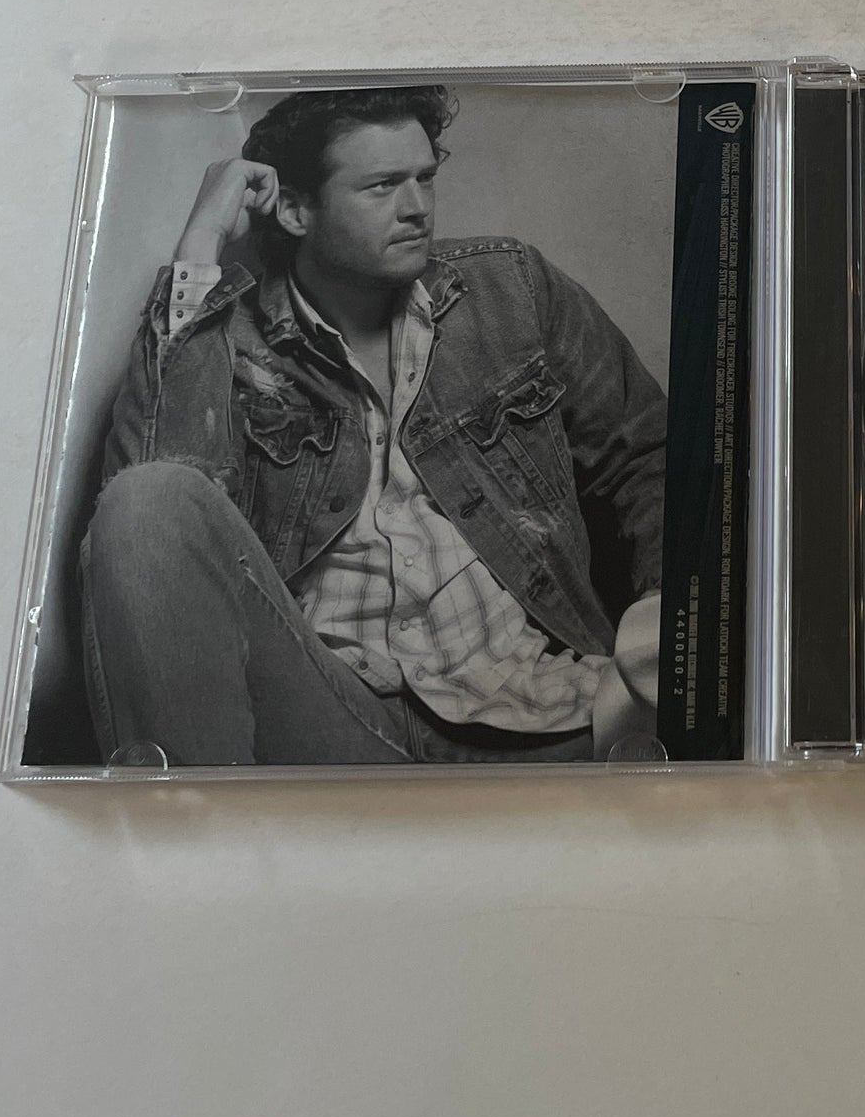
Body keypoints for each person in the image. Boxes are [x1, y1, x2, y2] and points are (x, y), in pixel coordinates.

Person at [81, 85, 666, 766]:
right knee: (146, 500)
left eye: (424, 178)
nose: (417, 207)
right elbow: (151, 527)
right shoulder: (231, 342)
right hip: (342, 728)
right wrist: (200, 247)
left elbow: (652, 456)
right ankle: (193, 833)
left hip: (550, 717)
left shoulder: (513, 289)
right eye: (382, 186)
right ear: (295, 210)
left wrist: (665, 642)